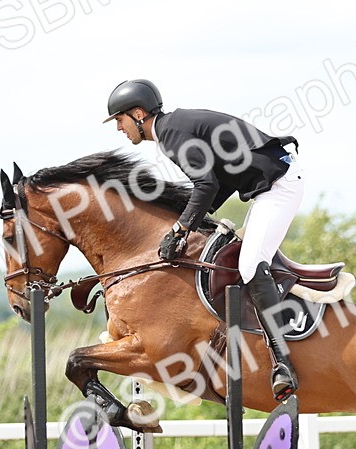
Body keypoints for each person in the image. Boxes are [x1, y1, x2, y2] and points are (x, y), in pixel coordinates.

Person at [104, 78, 303, 401]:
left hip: (280, 187)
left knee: (250, 266)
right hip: (269, 187)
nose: (118, 128)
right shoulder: (173, 128)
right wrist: (188, 221)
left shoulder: (170, 134)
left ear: (138, 114)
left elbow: (206, 185)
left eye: (120, 119)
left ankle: (283, 362)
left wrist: (180, 229)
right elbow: (217, 182)